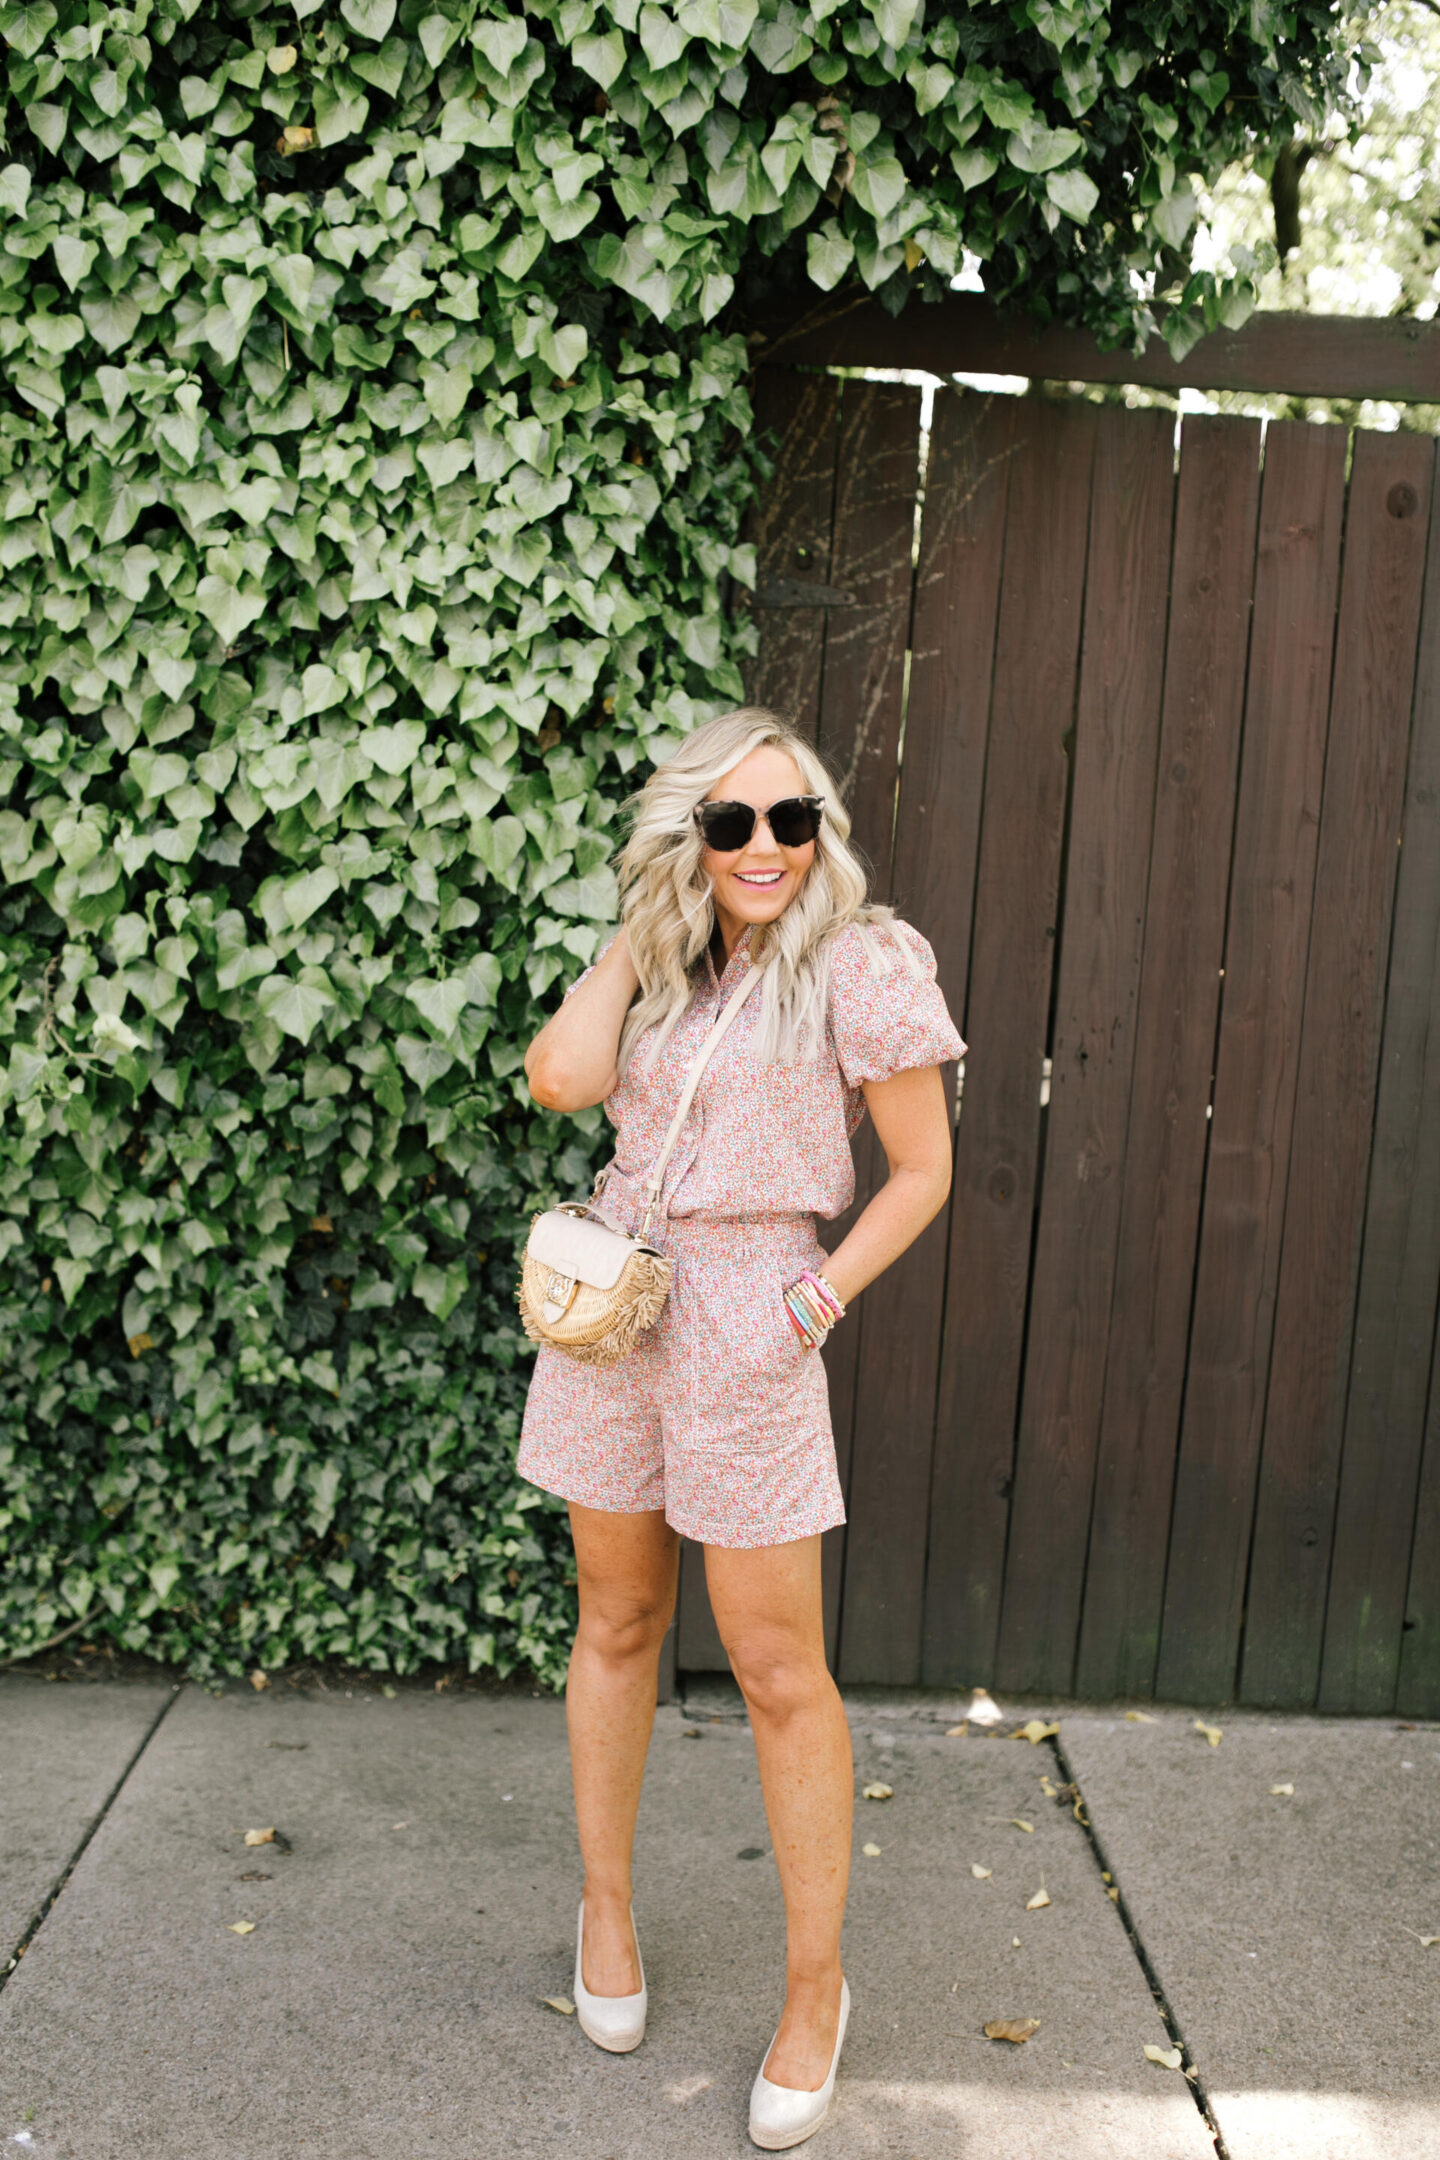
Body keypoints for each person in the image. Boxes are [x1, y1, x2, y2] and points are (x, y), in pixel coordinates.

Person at [518, 705, 965, 2149]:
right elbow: (560, 1083)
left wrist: (808, 1305)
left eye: (791, 820)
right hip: (617, 1303)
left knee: (779, 1667)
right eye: (729, 822)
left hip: (755, 1316)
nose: (763, 847)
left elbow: (921, 1168)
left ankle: (816, 1987)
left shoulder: (863, 961)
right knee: (615, 1623)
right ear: (689, 836)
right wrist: (636, 928)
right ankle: (603, 1913)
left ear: (820, 830)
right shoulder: (661, 953)